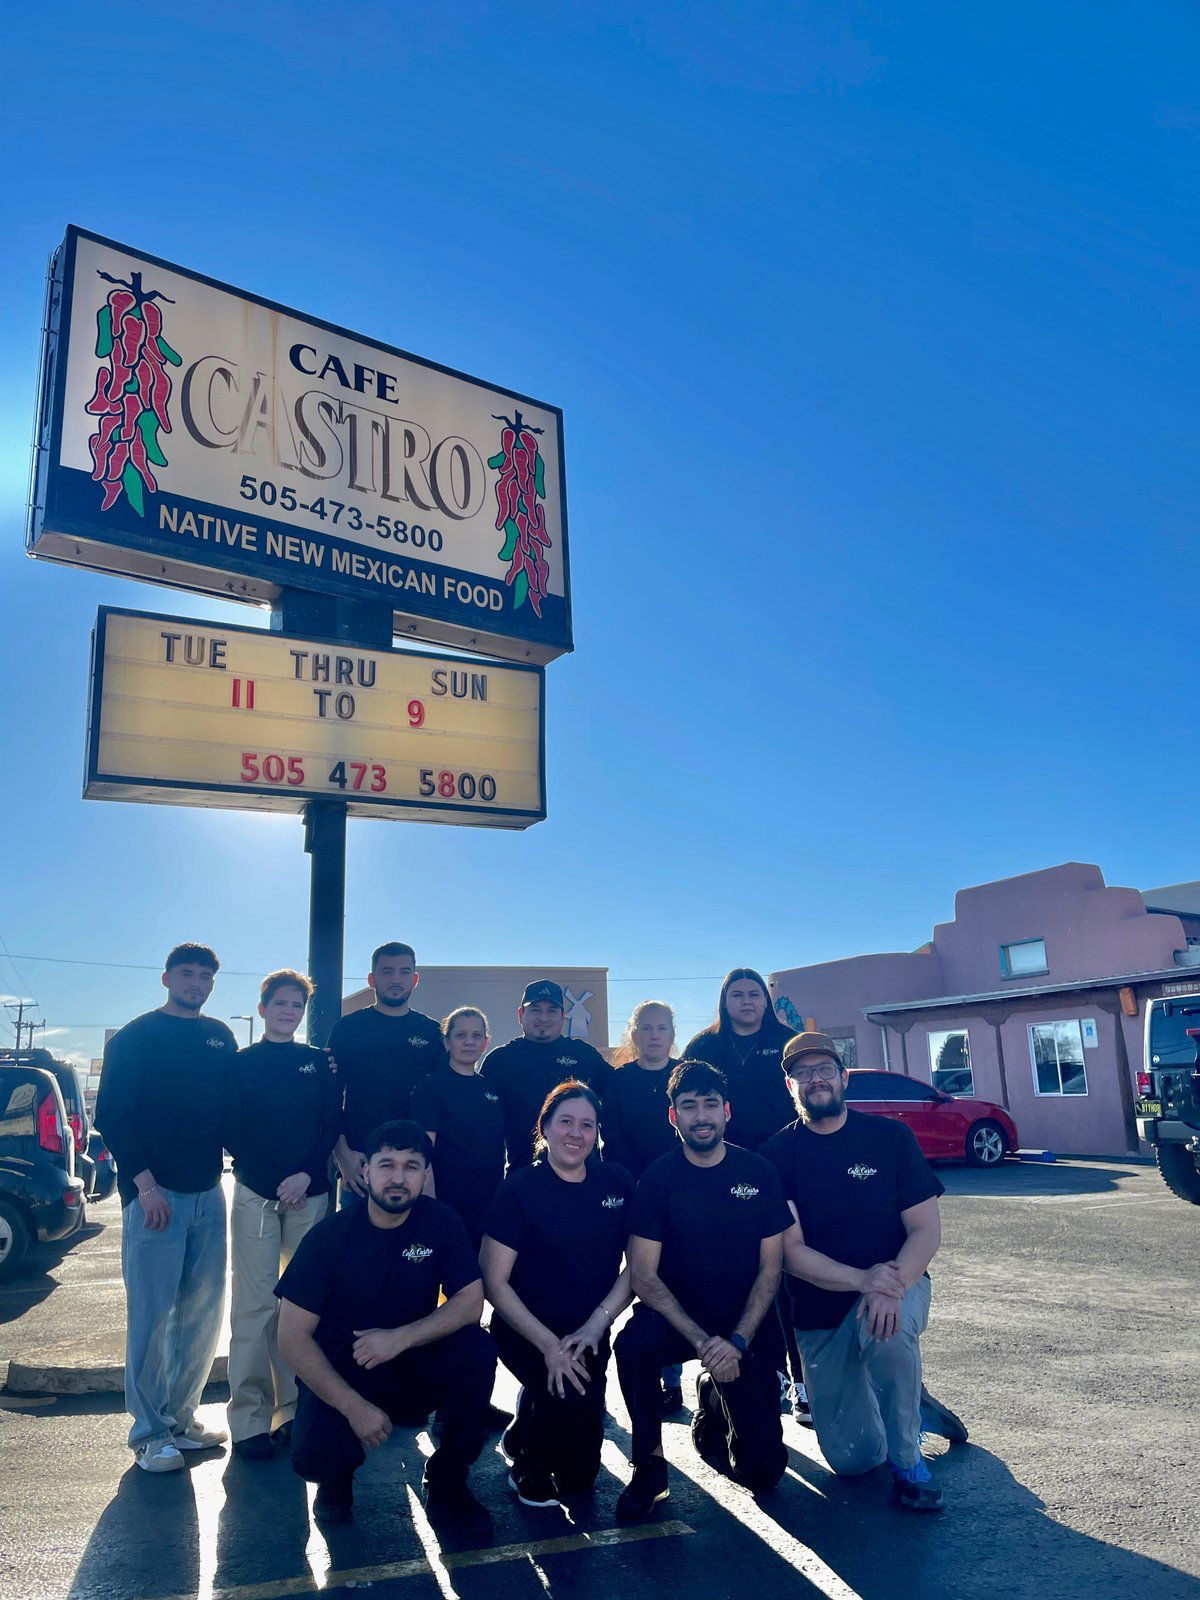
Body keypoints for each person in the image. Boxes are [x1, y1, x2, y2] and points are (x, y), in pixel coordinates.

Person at [762, 1032, 963, 1513]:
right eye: (803, 1073)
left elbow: (925, 1232)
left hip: (898, 1284)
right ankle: (906, 1400)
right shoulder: (776, 1155)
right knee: (853, 1461)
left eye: (825, 1070)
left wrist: (890, 1287)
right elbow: (791, 1253)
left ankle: (910, 1463)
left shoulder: (890, 1139)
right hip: (820, 1310)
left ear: (844, 1077)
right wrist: (862, 1280)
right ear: (791, 1086)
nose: (816, 1080)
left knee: (886, 1333)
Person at [276, 1119, 495, 1539]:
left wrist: (399, 1338)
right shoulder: (330, 1237)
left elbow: (470, 1302)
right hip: (345, 1371)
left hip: (409, 1361)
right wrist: (353, 1407)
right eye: (387, 1165)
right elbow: (291, 1337)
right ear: (365, 1172)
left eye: (412, 1166)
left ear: (425, 1174)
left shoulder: (440, 1222)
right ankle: (336, 1482)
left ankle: (448, 1479)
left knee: (476, 1350)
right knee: (316, 1457)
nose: (399, 1178)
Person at [614, 1060, 791, 1522]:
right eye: (688, 1107)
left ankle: (711, 1404)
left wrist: (736, 1342)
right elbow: (644, 1276)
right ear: (674, 1117)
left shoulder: (759, 1171)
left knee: (762, 1474)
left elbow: (771, 1269)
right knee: (631, 1345)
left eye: (710, 1104)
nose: (701, 1115)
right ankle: (649, 1466)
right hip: (680, 1322)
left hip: (743, 1327)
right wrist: (701, 1342)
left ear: (727, 1110)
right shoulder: (657, 1180)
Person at [95, 942, 237, 1472]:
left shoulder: (219, 1036)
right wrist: (144, 1185)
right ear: (166, 978)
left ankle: (181, 1418)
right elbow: (112, 1114)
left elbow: (230, 1112)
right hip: (154, 1196)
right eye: (187, 973)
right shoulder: (137, 1037)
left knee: (202, 1313)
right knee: (152, 1317)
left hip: (208, 1191)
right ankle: (149, 1433)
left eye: (205, 976)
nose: (196, 982)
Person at [481, 1082, 633, 1508]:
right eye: (565, 1121)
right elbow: (495, 1282)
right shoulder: (519, 1189)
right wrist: (548, 1345)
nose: (575, 1133)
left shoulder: (617, 1182)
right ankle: (527, 1464)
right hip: (527, 1332)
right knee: (561, 1391)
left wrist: (595, 1325)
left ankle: (526, 1422)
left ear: (597, 1133)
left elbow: (638, 1267)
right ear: (544, 1128)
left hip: (587, 1333)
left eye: (587, 1125)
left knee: (580, 1478)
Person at [225, 969, 341, 1461]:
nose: (288, 1012)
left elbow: (330, 1123)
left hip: (309, 1193)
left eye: (297, 1005)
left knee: (298, 1310)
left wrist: (304, 1174)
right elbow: (231, 1127)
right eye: (280, 1004)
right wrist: (273, 1178)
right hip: (257, 1193)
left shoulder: (319, 1064)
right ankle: (249, 1419)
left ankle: (290, 1412)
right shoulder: (239, 1064)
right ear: (263, 1008)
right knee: (254, 1308)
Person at [602, 1000, 684, 1413]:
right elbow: (612, 1136)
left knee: (674, 1275)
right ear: (633, 1035)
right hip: (632, 1190)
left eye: (662, 1027)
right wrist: (640, 1184)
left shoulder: (685, 1075)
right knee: (640, 1273)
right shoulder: (618, 1081)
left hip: (681, 1190)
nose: (654, 1034)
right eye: (646, 1028)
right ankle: (642, 1368)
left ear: (672, 1034)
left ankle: (672, 1377)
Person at [329, 943, 442, 1205]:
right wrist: (342, 1154)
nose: (395, 979)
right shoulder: (348, 1028)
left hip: (415, 1165)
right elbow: (329, 1098)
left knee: (413, 1245)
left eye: (404, 972)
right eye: (387, 971)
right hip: (360, 1164)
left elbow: (439, 1102)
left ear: (415, 979)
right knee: (359, 1245)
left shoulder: (432, 1032)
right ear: (372, 979)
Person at [481, 981, 612, 1171]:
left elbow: (619, 1099)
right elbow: (484, 1128)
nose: (544, 1017)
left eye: (551, 1010)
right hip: (523, 1176)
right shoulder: (499, 1062)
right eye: (535, 1010)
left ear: (562, 1016)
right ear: (521, 1014)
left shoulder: (585, 1057)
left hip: (583, 1176)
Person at [411, 1008, 506, 1249]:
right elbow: (423, 1153)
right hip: (447, 1202)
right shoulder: (431, 1087)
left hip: (489, 1203)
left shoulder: (491, 1089)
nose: (469, 1042)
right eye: (460, 1035)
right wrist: (430, 1206)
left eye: (476, 1036)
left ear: (485, 1043)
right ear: (446, 1041)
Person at [682, 968, 796, 1151]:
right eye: (737, 995)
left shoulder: (789, 1041)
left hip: (783, 1148)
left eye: (754, 994)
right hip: (719, 1152)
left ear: (766, 1001)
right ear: (724, 1003)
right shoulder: (704, 1045)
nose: (746, 1001)